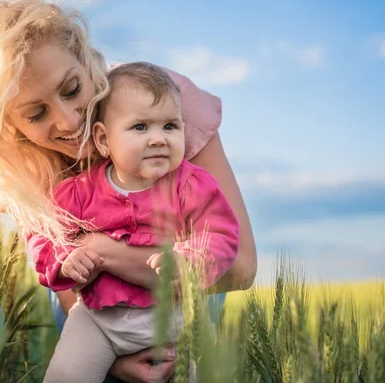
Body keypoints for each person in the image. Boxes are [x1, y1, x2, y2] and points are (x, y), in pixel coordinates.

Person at [0, 0, 257, 383]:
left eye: (71, 89)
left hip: (182, 313)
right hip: (96, 325)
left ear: (86, 61)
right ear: (9, 126)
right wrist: (111, 357)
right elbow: (63, 282)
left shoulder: (158, 104)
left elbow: (240, 267)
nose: (69, 122)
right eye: (36, 114)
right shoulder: (26, 167)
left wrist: (106, 253)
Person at [27, 62, 239, 382]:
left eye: (170, 126)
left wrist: (194, 258)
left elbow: (222, 232)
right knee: (65, 375)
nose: (158, 139)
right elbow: (43, 233)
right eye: (140, 127)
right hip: (99, 320)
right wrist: (65, 258)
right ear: (103, 140)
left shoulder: (192, 184)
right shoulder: (78, 192)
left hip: (177, 318)